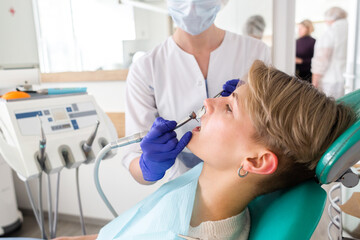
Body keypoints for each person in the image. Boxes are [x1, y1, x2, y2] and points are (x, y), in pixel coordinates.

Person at [54, 60, 356, 240]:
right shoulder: (207, 184)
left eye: (228, 106)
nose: (209, 102)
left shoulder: (189, 231)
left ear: (255, 160)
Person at [123, 0, 271, 185]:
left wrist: (254, 105)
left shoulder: (257, 52)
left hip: (246, 180)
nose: (191, 5)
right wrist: (148, 166)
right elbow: (134, 156)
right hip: (180, 182)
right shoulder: (145, 68)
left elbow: (275, 134)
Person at [311, 7, 348, 98]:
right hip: (347, 79)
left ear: (329, 18)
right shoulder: (352, 30)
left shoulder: (330, 32)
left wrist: (314, 82)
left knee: (329, 109)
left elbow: (321, 59)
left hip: (330, 81)